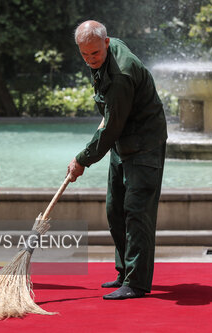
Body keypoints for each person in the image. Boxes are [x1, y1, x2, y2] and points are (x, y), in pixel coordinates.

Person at [67, 20, 167, 300]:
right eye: (84, 55)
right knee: (115, 209)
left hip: (144, 144)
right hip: (124, 140)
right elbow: (113, 122)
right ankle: (124, 271)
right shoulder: (109, 50)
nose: (90, 60)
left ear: (107, 42)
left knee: (137, 212)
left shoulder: (122, 75)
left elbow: (110, 129)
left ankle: (136, 283)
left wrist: (82, 160)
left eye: (95, 54)